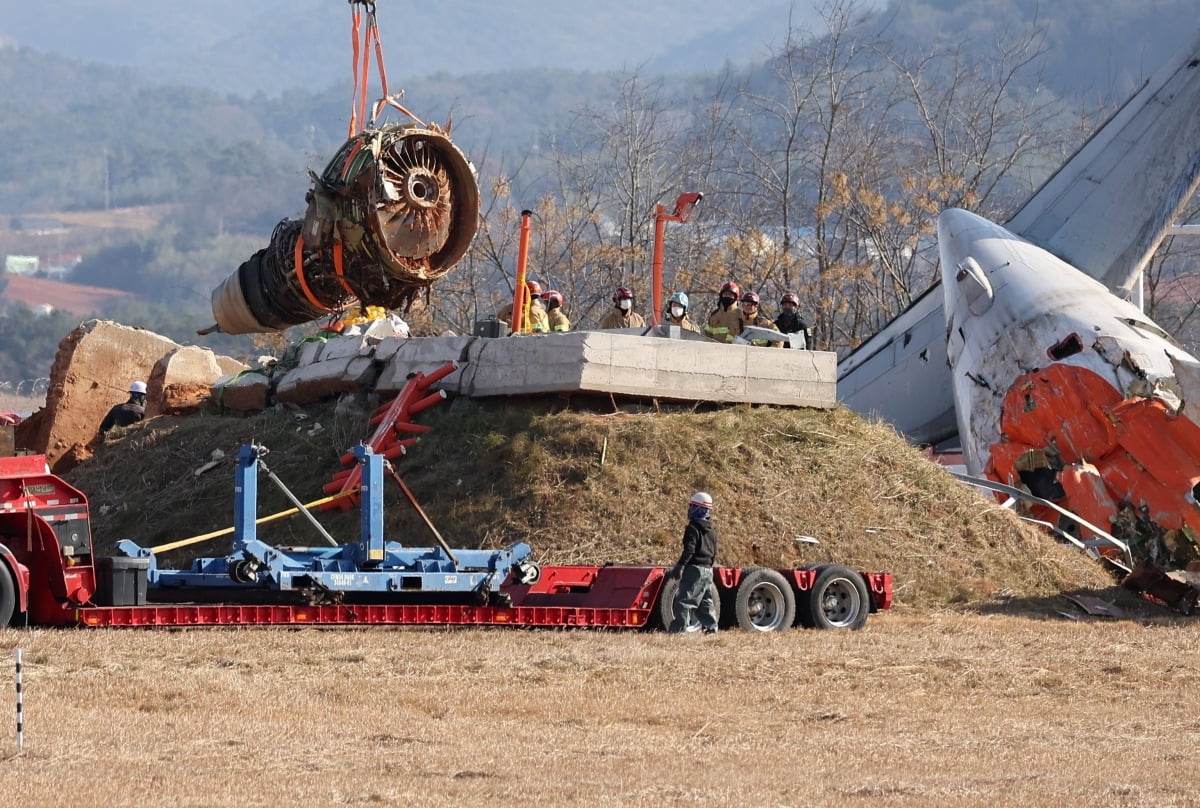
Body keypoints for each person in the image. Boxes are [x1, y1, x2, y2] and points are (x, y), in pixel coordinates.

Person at [666, 491, 719, 635]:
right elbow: (714, 551)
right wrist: (709, 566)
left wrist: (680, 565)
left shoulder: (692, 528)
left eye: (692, 506)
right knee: (705, 602)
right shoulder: (712, 530)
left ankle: (679, 630)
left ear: (698, 508)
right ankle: (711, 629)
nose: (690, 509)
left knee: (684, 601)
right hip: (708, 569)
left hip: (694, 569)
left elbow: (689, 550)